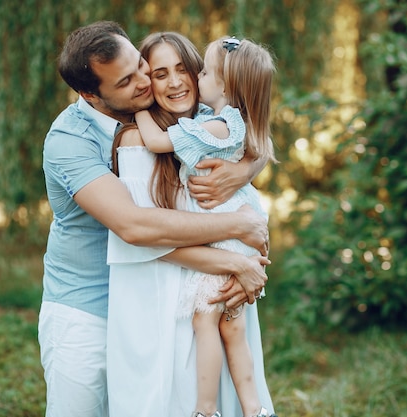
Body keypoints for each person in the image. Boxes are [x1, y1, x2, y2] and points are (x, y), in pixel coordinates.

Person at [39, 21, 270, 417]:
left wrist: (246, 168)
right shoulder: (70, 141)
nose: (146, 82)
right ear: (91, 94)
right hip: (89, 307)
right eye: (129, 79)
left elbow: (249, 130)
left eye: (140, 66)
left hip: (160, 294)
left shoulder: (181, 117)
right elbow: (135, 227)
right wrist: (238, 239)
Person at [106, 32, 276, 417]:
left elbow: (261, 142)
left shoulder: (205, 124)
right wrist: (238, 261)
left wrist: (242, 172)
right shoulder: (139, 140)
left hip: (207, 290)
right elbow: (144, 237)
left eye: (184, 69)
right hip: (165, 295)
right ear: (147, 81)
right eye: (161, 73)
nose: (177, 82)